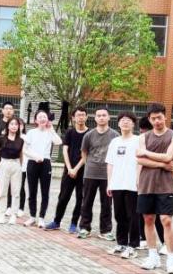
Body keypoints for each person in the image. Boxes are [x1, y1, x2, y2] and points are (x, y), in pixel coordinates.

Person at [136, 103, 173, 274]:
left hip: (165, 184)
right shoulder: (143, 137)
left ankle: (171, 258)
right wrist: (162, 164)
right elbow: (139, 159)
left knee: (166, 220)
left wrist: (146, 153)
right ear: (149, 119)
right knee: (148, 219)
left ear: (165, 117)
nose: (157, 121)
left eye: (159, 117)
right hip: (146, 183)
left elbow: (169, 156)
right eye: (153, 118)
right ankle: (152, 256)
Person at [46, 106, 88, 233]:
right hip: (68, 171)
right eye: (78, 115)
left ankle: (74, 224)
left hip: (83, 171)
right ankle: (56, 221)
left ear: (86, 117)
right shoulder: (70, 132)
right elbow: (65, 150)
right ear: (73, 118)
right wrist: (69, 168)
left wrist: (76, 169)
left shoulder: (89, 134)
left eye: (83, 115)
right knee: (63, 197)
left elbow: (87, 154)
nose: (81, 117)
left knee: (80, 198)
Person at [105, 112, 140, 258]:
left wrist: (139, 180)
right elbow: (110, 163)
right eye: (123, 120)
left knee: (133, 216)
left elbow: (141, 162)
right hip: (117, 184)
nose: (125, 122)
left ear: (133, 124)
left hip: (132, 185)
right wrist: (109, 183)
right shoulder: (115, 142)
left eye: (128, 120)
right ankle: (121, 243)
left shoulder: (138, 140)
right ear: (118, 124)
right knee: (119, 215)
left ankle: (133, 245)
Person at [77, 108, 115, 240]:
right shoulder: (89, 135)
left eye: (104, 115)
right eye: (99, 115)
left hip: (107, 174)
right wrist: (90, 164)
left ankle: (105, 230)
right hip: (90, 173)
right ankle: (84, 228)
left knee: (107, 203)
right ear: (95, 118)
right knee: (87, 201)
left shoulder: (115, 135)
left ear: (109, 117)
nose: (101, 118)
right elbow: (84, 152)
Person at [22, 109, 63, 228]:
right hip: (32, 162)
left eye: (44, 117)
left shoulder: (50, 132)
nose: (42, 119)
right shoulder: (31, 132)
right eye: (40, 117)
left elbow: (58, 142)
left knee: (45, 192)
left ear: (47, 119)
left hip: (45, 163)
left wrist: (51, 129)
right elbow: (24, 150)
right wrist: (35, 157)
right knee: (32, 191)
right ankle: (32, 217)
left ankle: (41, 218)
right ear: (36, 120)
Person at [0, 117, 25, 225]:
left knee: (16, 192)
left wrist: (20, 166)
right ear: (8, 126)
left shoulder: (21, 140)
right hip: (4, 164)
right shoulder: (2, 138)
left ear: (19, 127)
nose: (14, 126)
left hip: (16, 165)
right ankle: (1, 214)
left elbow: (21, 155)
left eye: (16, 124)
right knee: (3, 191)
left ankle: (13, 215)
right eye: (12, 124)